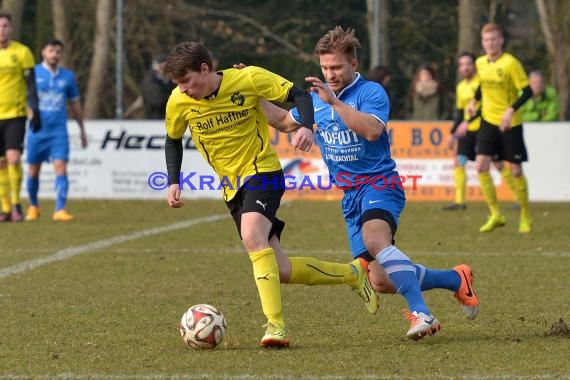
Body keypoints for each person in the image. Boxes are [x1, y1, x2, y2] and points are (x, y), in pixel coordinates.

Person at [261, 26, 480, 340]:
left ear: (354, 65)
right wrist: (250, 94)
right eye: (324, 68)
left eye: (336, 67)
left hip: (380, 184)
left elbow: (372, 131)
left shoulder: (371, 92)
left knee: (377, 239)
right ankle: (456, 279)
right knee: (380, 280)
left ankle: (423, 314)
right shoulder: (316, 99)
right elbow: (283, 121)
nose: (329, 74)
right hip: (350, 195)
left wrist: (335, 103)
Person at [161, 41, 378, 348]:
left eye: (185, 81)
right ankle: (352, 274)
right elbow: (172, 139)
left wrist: (306, 125)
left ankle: (275, 326)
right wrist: (173, 180)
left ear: (204, 69)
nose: (182, 89)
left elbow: (298, 95)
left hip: (263, 172)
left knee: (252, 235)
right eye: (177, 84)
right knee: (282, 270)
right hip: (231, 187)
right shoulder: (177, 102)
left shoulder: (247, 78)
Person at [468, 23, 533, 233]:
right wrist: (474, 101)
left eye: (494, 39)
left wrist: (510, 110)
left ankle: (525, 214)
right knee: (480, 166)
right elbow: (482, 86)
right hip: (488, 121)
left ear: (501, 40)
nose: (490, 43)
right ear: (482, 42)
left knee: (515, 171)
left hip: (510, 124)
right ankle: (495, 214)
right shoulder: (480, 63)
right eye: (487, 40)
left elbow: (527, 91)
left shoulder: (511, 63)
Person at [443, 52, 518, 211]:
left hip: (485, 128)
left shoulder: (483, 82)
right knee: (459, 161)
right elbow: (460, 112)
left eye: (468, 63)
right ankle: (459, 202)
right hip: (467, 132)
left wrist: (467, 121)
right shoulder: (460, 87)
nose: (466, 67)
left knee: (498, 165)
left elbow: (484, 107)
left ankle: (518, 198)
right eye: (462, 64)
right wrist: (453, 133)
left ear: (474, 65)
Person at [24, 39, 87, 222]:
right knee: (33, 170)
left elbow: (74, 103)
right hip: (37, 130)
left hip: (58, 130)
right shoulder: (33, 73)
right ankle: (33, 206)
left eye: (58, 51)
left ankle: (60, 209)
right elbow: (24, 98)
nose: (55, 54)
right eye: (51, 50)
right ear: (43, 52)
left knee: (61, 167)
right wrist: (29, 115)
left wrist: (82, 129)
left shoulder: (68, 76)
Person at [0, 10, 40, 222]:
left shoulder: (23, 52)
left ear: (11, 28)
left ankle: (16, 204)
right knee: (1, 164)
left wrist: (36, 110)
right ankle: (5, 209)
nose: (2, 30)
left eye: (5, 26)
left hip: (15, 114)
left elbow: (31, 85)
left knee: (13, 158)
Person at [141, 54, 175, 119]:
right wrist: (174, 98)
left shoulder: (168, 80)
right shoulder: (150, 81)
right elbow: (158, 100)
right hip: (155, 118)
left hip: (168, 117)